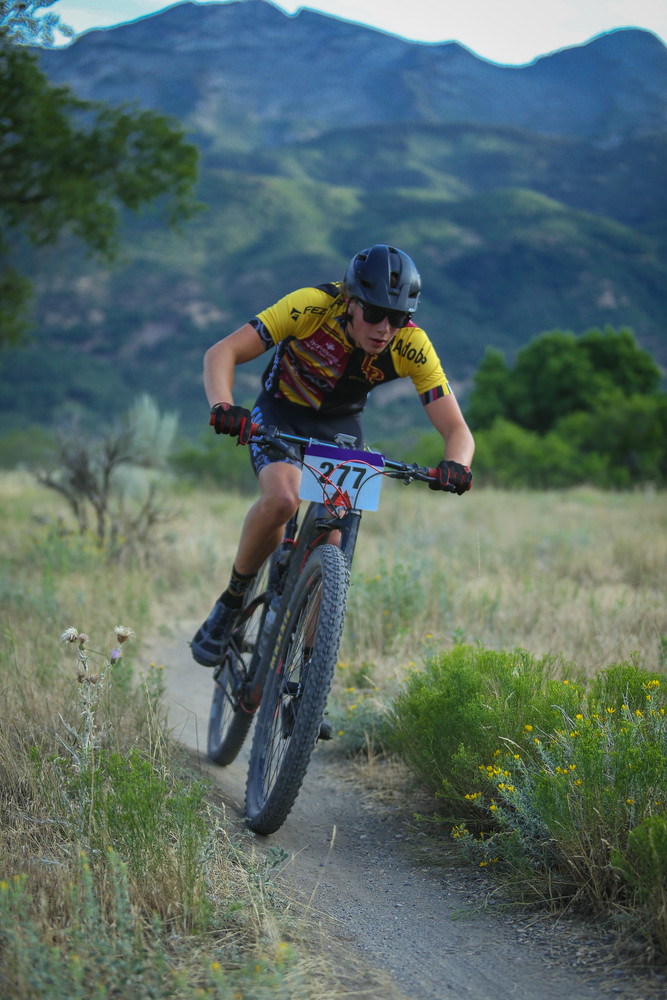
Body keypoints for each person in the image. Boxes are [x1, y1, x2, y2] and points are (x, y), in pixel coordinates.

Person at [191, 244, 474, 667]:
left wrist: (457, 465)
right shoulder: (311, 306)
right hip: (281, 411)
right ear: (350, 302)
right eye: (374, 313)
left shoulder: (411, 344)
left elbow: (457, 430)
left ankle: (309, 671)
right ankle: (231, 601)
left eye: (398, 318)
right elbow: (221, 353)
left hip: (339, 428)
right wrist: (224, 406)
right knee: (284, 499)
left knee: (335, 537)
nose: (384, 328)